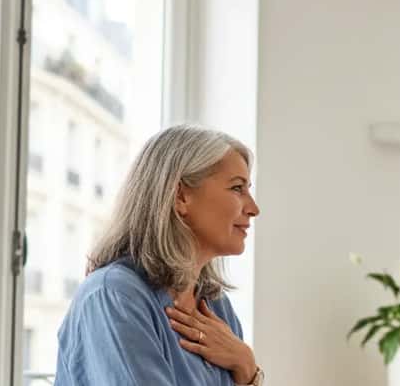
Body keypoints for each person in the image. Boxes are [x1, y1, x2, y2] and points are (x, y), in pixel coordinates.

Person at [55, 125, 264, 386]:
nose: (254, 208)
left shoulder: (216, 304)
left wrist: (246, 365)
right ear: (180, 196)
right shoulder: (113, 296)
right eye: (237, 188)